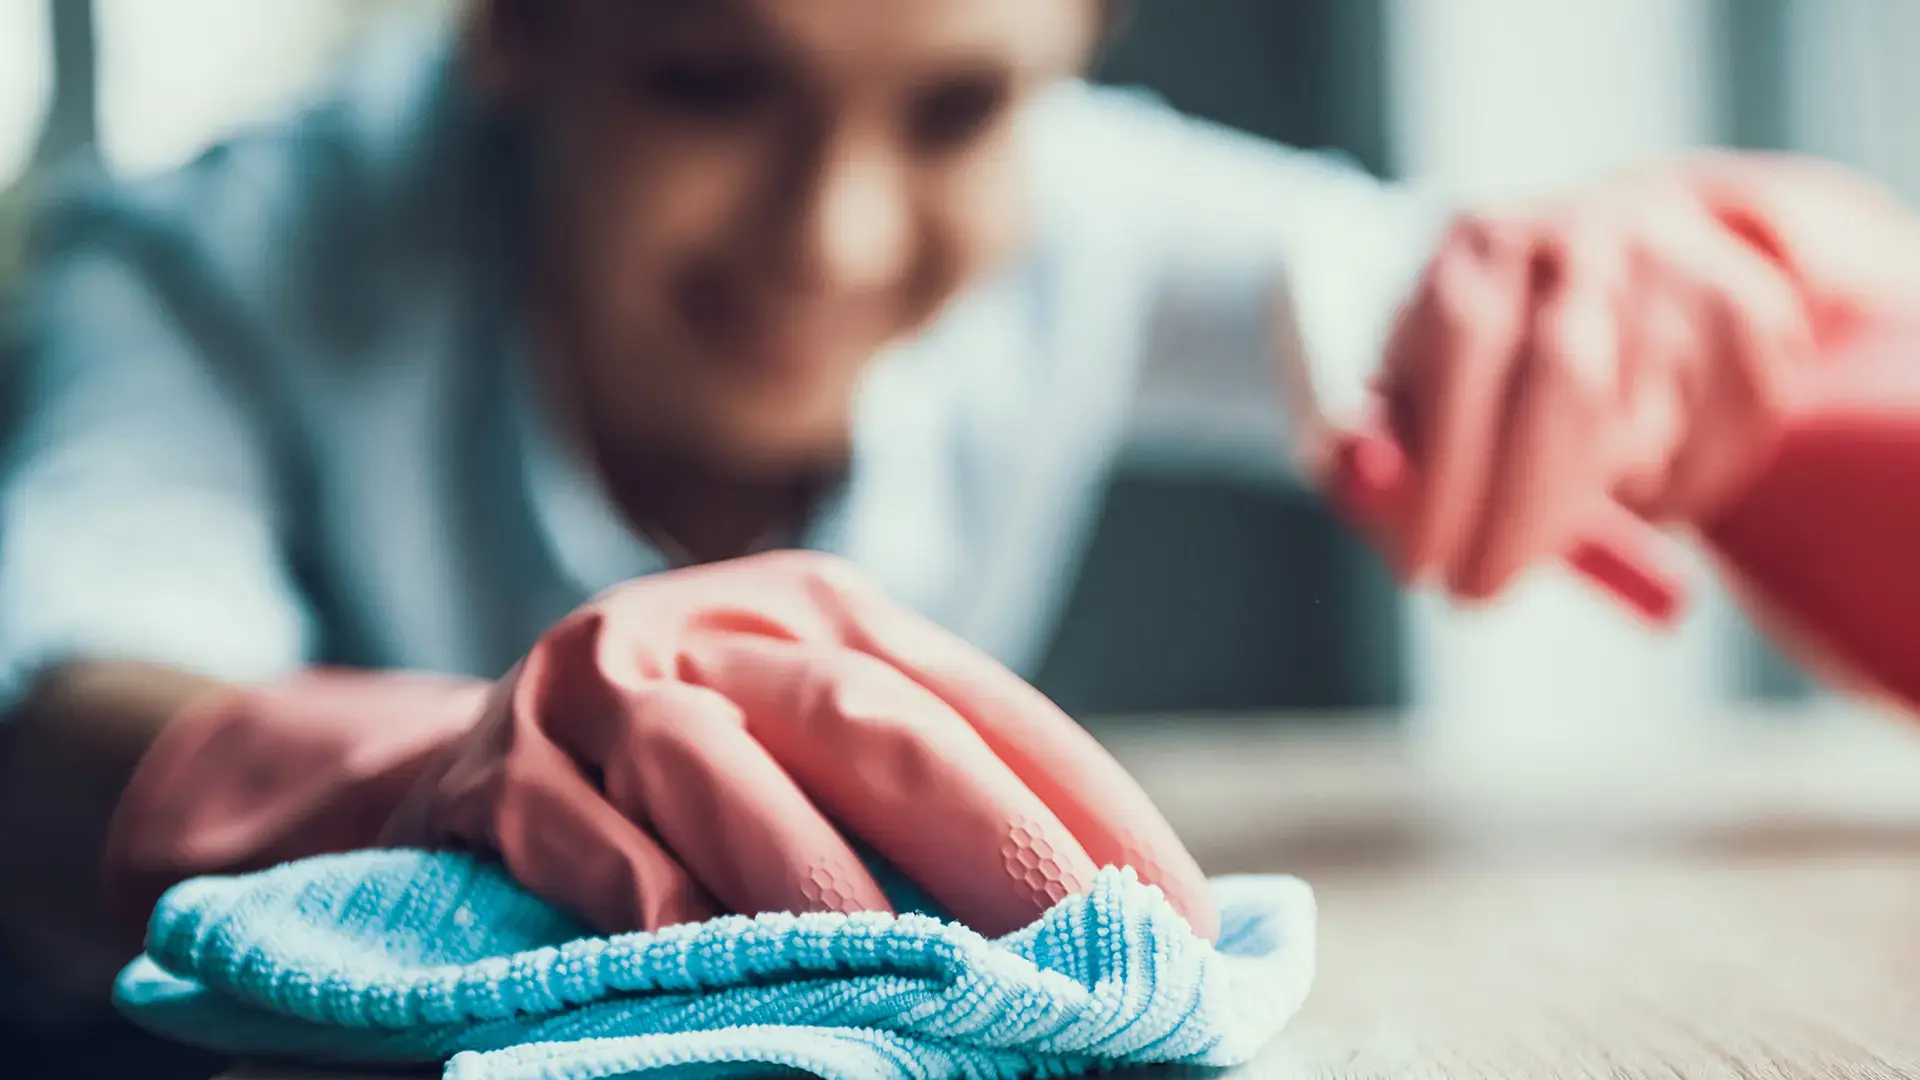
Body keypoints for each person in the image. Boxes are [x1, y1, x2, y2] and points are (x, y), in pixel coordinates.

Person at [5, 0, 1920, 1022]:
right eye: (707, 81)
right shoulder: (207, 267)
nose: (835, 234)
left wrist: (1727, 308)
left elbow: (1562, 334)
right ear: (518, 27)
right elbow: (47, 725)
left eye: (957, 113)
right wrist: (439, 771)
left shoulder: (1085, 208)